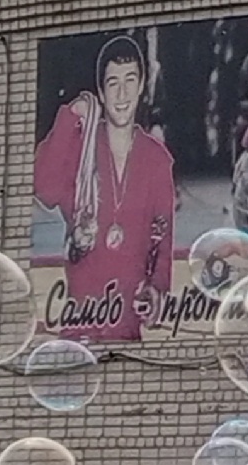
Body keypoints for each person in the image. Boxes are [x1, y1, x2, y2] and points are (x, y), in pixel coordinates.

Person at [32, 33, 176, 329]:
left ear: (142, 87)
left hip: (127, 323)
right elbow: (44, 189)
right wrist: (69, 116)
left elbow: (163, 235)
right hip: (81, 320)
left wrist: (158, 287)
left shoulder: (157, 159)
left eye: (130, 81)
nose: (122, 95)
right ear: (100, 90)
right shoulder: (79, 148)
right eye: (113, 84)